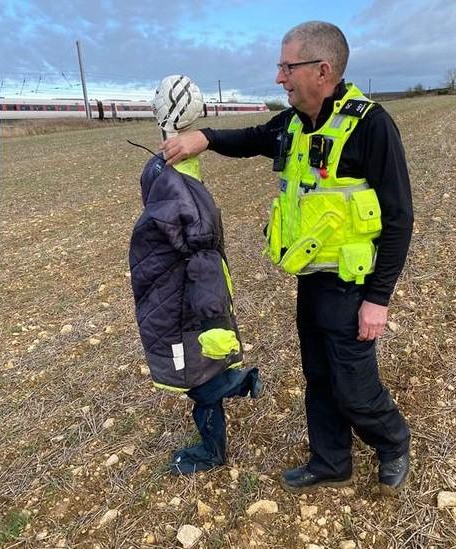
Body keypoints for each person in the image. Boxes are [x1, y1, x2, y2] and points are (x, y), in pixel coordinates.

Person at [160, 21, 413, 494]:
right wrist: (206, 139)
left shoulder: (371, 125)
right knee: (318, 378)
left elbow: (400, 219)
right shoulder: (294, 123)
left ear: (322, 70)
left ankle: (394, 440)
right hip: (311, 279)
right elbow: (254, 137)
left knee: (355, 388)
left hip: (353, 285)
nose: (279, 77)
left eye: (286, 66)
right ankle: (330, 461)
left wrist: (378, 299)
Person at [129, 75, 261, 476]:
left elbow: (204, 261)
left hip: (179, 296)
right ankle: (231, 383)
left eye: (156, 102)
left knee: (195, 379)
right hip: (167, 287)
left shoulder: (177, 184)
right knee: (193, 368)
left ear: (160, 110)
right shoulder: (165, 168)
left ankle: (213, 448)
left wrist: (216, 321)